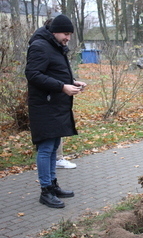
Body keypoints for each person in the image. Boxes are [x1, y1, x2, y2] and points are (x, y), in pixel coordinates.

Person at [25, 14, 86, 208]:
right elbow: (33, 74)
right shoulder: (40, 46)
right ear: (55, 31)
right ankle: (46, 191)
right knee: (45, 149)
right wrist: (62, 87)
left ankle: (53, 184)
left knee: (53, 147)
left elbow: (53, 70)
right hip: (44, 106)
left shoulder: (54, 46)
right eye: (66, 33)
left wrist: (72, 82)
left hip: (55, 104)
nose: (68, 38)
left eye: (70, 34)